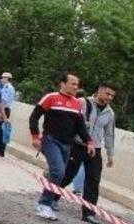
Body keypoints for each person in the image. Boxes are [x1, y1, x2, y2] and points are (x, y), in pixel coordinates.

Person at [30, 72, 94, 221]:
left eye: (77, 85)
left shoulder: (77, 104)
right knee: (59, 172)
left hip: (67, 145)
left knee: (60, 174)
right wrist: (35, 136)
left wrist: (89, 142)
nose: (75, 87)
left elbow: (81, 127)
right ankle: (44, 204)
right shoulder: (51, 98)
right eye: (73, 84)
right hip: (50, 140)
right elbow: (34, 117)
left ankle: (50, 177)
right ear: (63, 84)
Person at [53, 83, 117, 224]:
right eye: (107, 94)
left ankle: (88, 213)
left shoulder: (110, 113)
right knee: (68, 174)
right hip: (78, 145)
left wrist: (110, 154)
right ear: (99, 90)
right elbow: (69, 121)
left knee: (93, 181)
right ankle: (52, 197)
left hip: (95, 149)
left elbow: (109, 134)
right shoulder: (82, 102)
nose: (109, 97)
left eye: (112, 96)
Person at [0, 71, 17, 156]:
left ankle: (0, 150)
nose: (1, 79)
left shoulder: (8, 87)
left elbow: (4, 101)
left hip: (4, 109)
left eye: (3, 77)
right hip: (2, 109)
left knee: (1, 130)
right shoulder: (4, 87)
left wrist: (1, 113)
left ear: (7, 78)